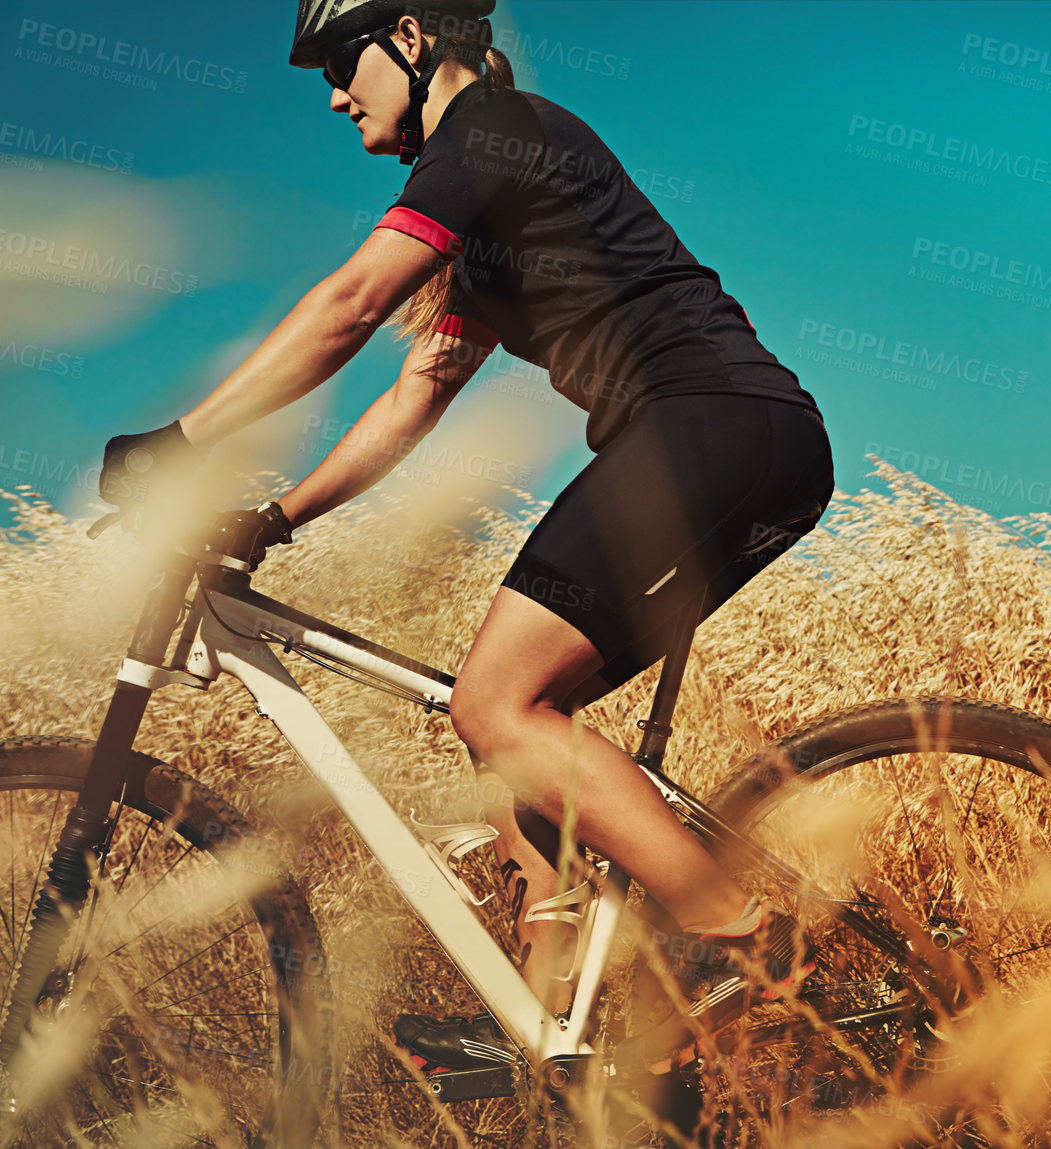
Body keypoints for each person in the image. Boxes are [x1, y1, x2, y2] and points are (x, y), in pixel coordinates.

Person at [98, 0, 829, 1074]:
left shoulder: (493, 135)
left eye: (342, 64)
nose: (337, 95)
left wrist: (178, 438)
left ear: (407, 37)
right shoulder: (490, 224)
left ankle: (739, 941)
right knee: (512, 728)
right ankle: (539, 1017)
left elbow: (350, 304)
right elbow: (411, 400)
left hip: (711, 424)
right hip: (736, 442)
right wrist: (271, 519)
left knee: (498, 702)